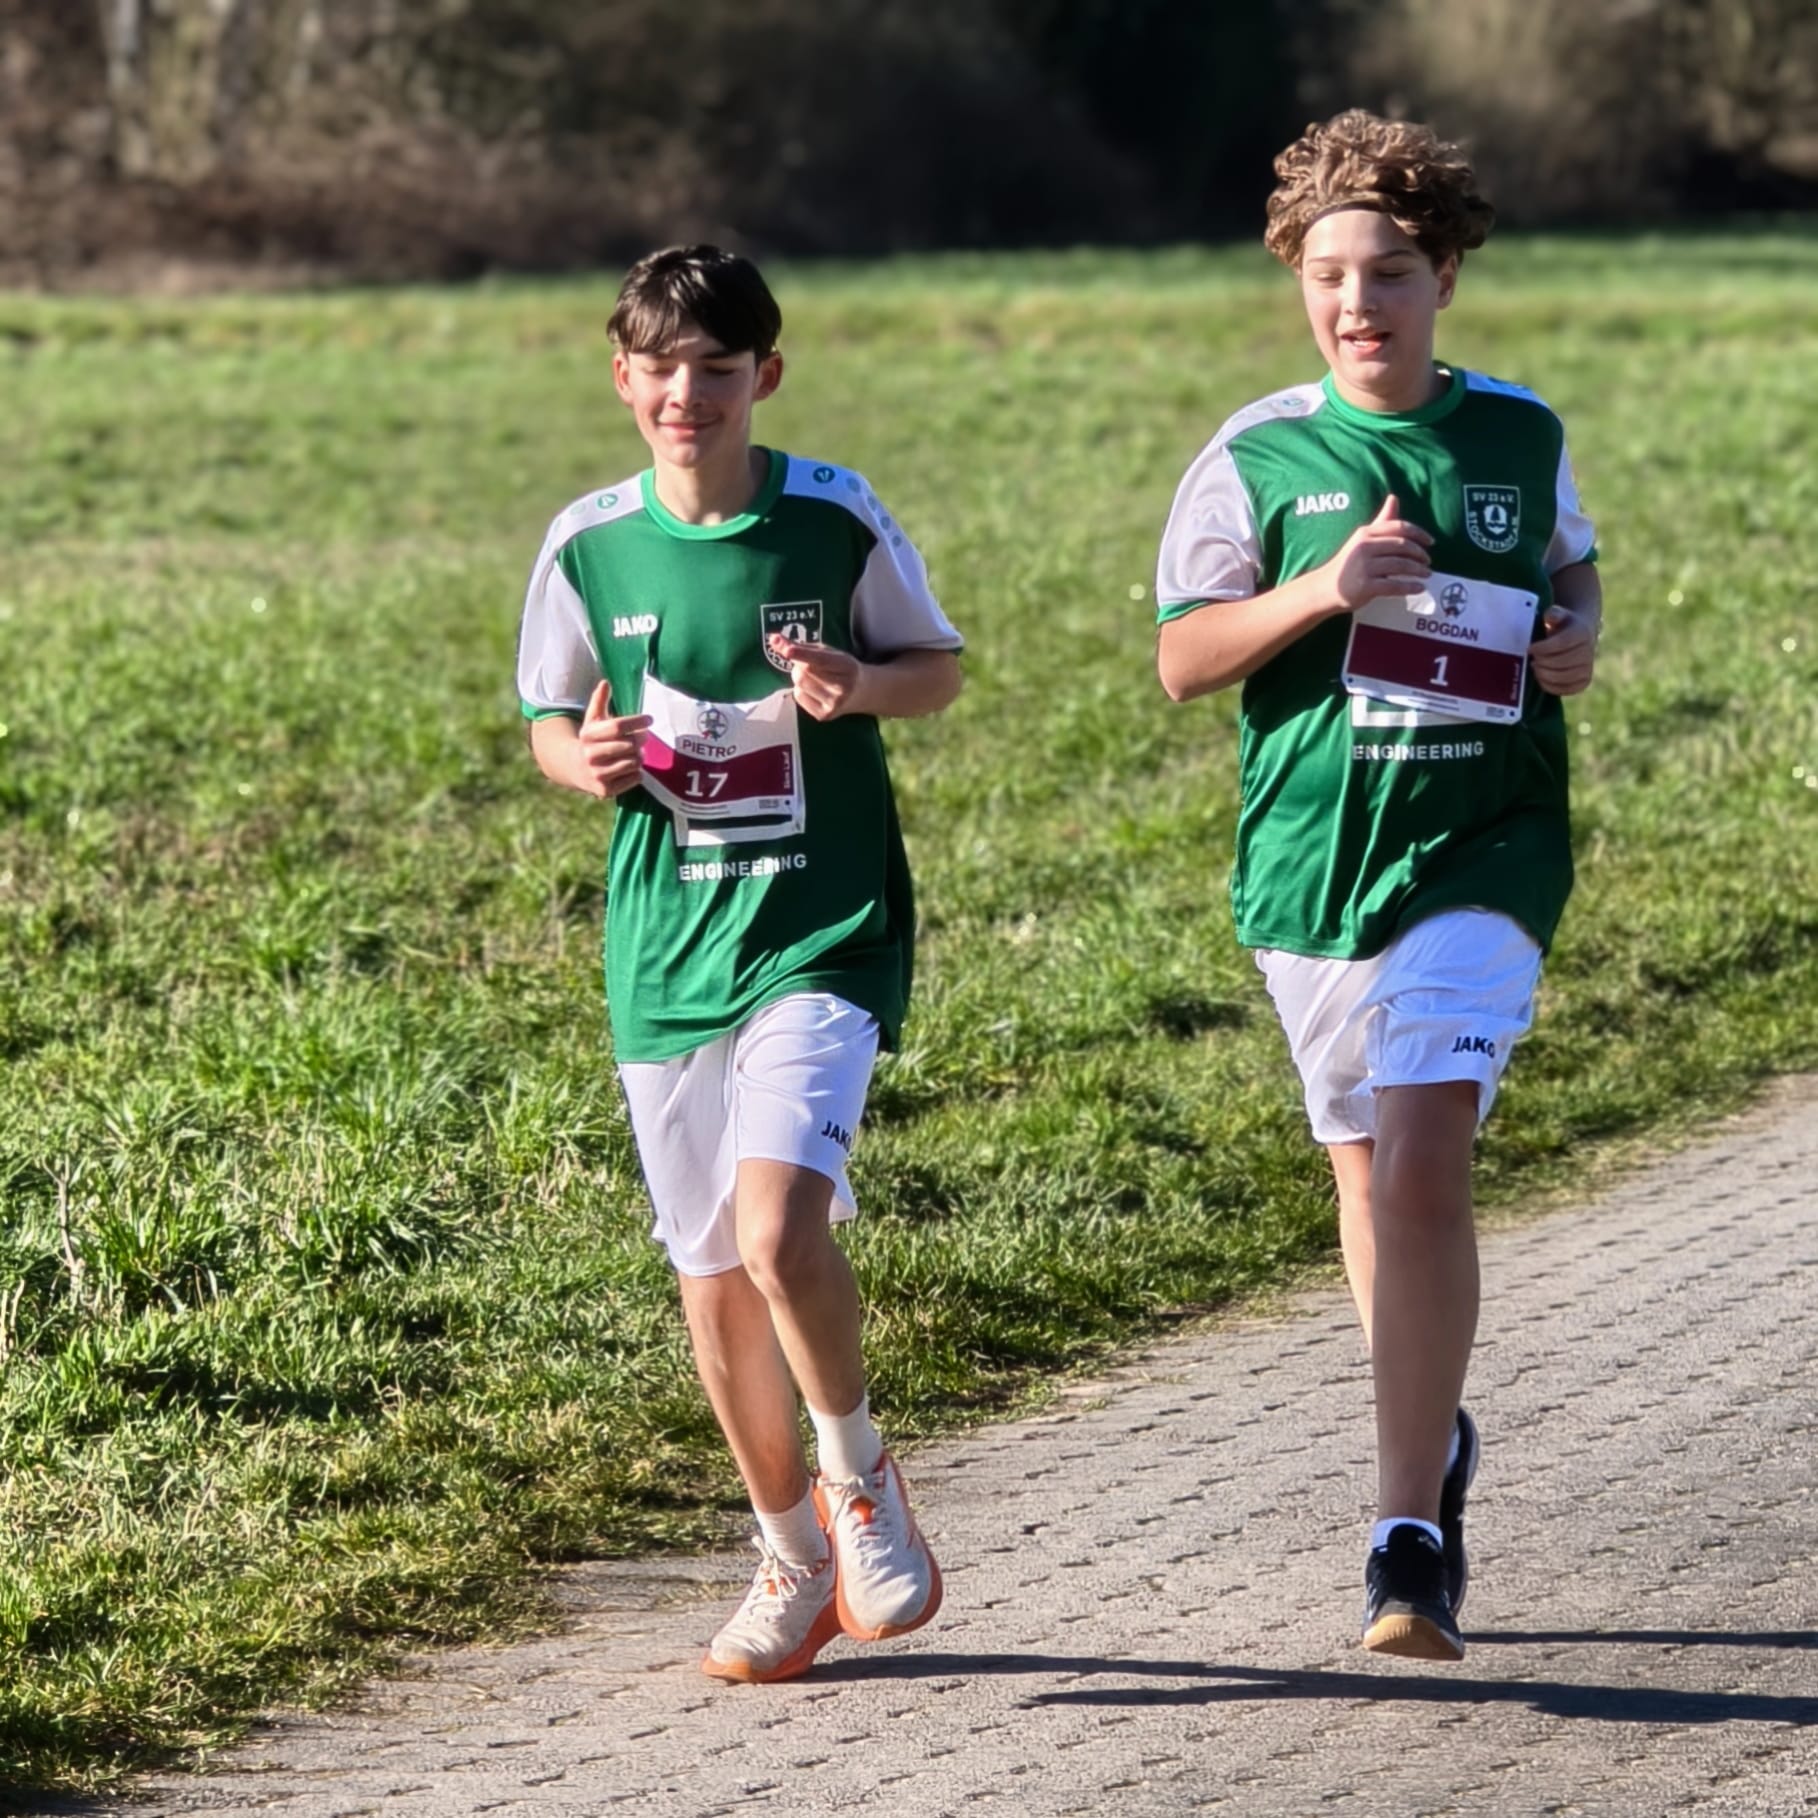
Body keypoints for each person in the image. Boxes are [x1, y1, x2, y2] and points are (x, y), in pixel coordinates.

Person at [1154, 112, 1601, 1661]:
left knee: (1419, 1156)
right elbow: (1179, 657)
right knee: (1360, 1171)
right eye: (1330, 275)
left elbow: (1569, 562)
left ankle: (1404, 1534)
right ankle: (1436, 1432)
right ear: (1296, 280)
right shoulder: (1255, 454)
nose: (1359, 303)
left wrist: (1573, 637)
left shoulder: (1518, 433)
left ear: (1446, 275)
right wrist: (1320, 589)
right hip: (1312, 859)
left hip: (1484, 842)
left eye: (1391, 272)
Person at [516, 245, 963, 1683]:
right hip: (664, 946)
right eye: (660, 366)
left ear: (764, 375)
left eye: (717, 367)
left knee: (777, 1233)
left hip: (819, 930)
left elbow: (933, 669)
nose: (685, 393)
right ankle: (789, 1556)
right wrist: (583, 764)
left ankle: (860, 1481)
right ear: (622, 376)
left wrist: (854, 687)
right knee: (711, 1280)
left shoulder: (829, 515)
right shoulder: (586, 541)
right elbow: (545, 715)